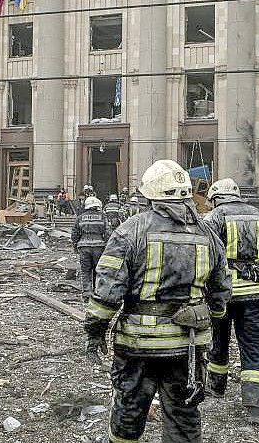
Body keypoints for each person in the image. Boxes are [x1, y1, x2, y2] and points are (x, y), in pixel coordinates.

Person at [84, 160, 231, 443]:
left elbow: (107, 292)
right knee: (183, 417)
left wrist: (95, 331)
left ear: (149, 194)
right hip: (187, 346)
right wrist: (208, 319)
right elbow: (221, 293)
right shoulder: (208, 235)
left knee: (128, 413)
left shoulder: (130, 231)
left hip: (138, 345)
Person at [202, 178, 259, 424]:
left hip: (223, 295)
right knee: (252, 349)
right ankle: (254, 407)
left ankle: (216, 387)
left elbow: (207, 255)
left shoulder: (214, 217)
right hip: (255, 296)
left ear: (216, 198)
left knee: (219, 342)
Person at [71, 196, 111, 301]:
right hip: (99, 246)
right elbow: (108, 232)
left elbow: (74, 233)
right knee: (98, 270)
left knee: (85, 271)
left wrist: (75, 245)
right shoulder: (102, 217)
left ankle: (87, 294)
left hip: (83, 247)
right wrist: (107, 244)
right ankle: (97, 293)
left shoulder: (80, 217)